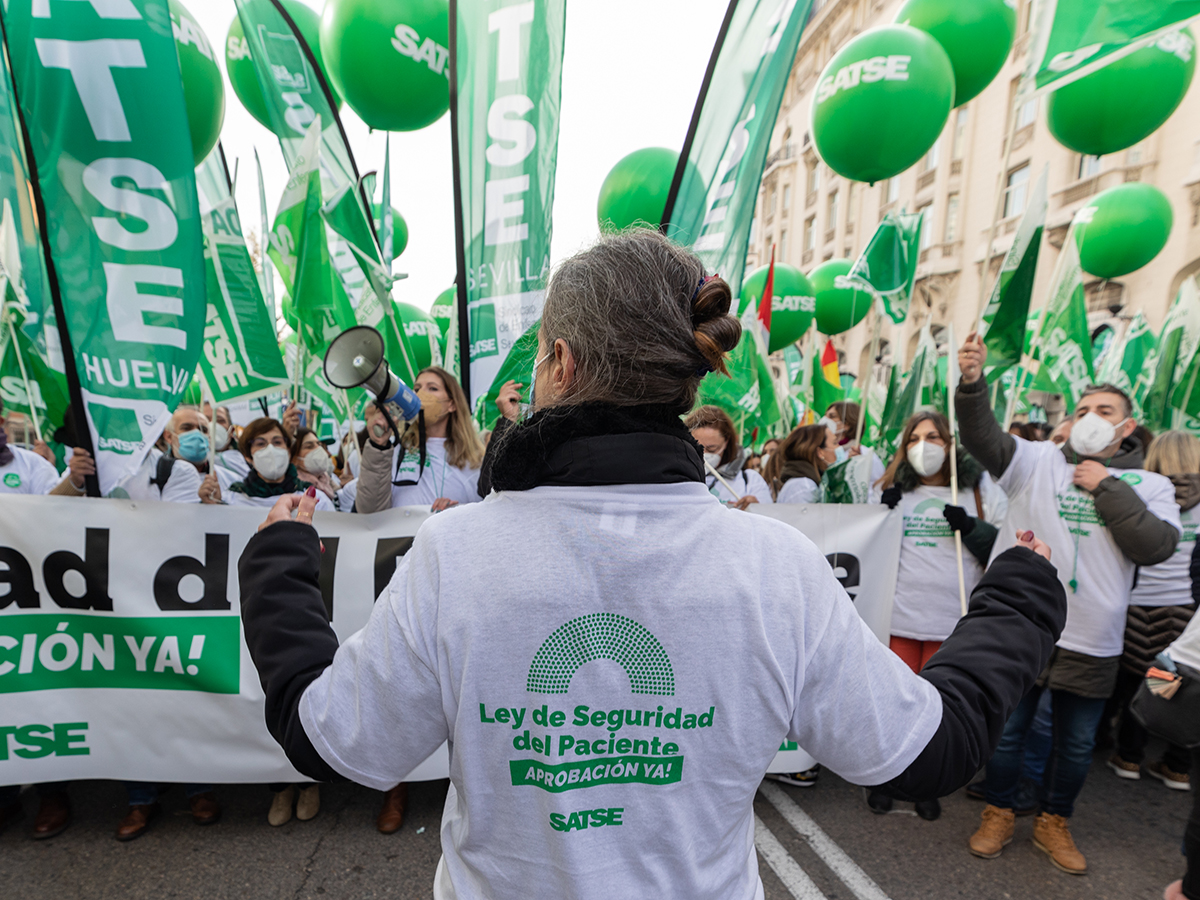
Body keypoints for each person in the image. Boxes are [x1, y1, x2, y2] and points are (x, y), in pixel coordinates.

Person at [237, 228, 1066, 900]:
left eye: (538, 358)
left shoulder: (458, 554)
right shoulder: (773, 565)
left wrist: (277, 563)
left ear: (562, 364)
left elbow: (331, 738)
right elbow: (934, 749)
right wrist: (1020, 594)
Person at [957, 331, 1181, 875]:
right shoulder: (1036, 462)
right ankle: (998, 812)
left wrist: (1107, 487)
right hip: (1024, 631)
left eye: (1105, 411)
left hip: (1093, 639)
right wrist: (972, 384)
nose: (1090, 418)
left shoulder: (1149, 485)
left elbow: (1156, 546)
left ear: (1127, 427)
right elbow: (983, 437)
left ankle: (1054, 821)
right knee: (1007, 732)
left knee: (1077, 746)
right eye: (1082, 410)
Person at [866, 411, 1000, 821]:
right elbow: (864, 547)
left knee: (935, 710)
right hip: (900, 616)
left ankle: (926, 781)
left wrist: (972, 527)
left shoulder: (977, 491)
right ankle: (884, 778)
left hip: (951, 620)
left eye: (933, 437)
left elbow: (1000, 548)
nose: (923, 446)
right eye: (914, 438)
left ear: (950, 444)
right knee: (894, 704)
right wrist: (879, 515)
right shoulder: (890, 490)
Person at [1108, 430, 1199, 790]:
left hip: (1138, 602)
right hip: (1185, 609)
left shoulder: (1145, 491)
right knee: (1179, 684)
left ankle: (1129, 756)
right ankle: (1177, 765)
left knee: (1137, 680)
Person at [355, 367, 484, 515]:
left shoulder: (474, 460)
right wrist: (378, 446)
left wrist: (455, 512)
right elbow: (368, 510)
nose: (421, 394)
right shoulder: (395, 451)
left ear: (452, 404)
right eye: (416, 389)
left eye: (432, 388)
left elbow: (481, 514)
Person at [198, 418, 335, 511]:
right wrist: (213, 507)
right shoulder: (231, 499)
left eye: (277, 442)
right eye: (260, 444)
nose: (270, 449)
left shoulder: (315, 500)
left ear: (288, 451)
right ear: (248, 456)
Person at [686, 405, 771, 509]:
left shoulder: (751, 480)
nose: (703, 454)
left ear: (726, 442)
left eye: (712, 449)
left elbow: (769, 514)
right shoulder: (677, 479)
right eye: (696, 448)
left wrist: (755, 507)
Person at [763, 423, 836, 503]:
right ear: (820, 452)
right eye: (834, 443)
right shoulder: (803, 487)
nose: (839, 448)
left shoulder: (805, 483)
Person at [291, 428, 341, 508]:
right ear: (294, 458)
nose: (319, 449)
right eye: (309, 446)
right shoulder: (295, 489)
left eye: (319, 445)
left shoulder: (328, 481)